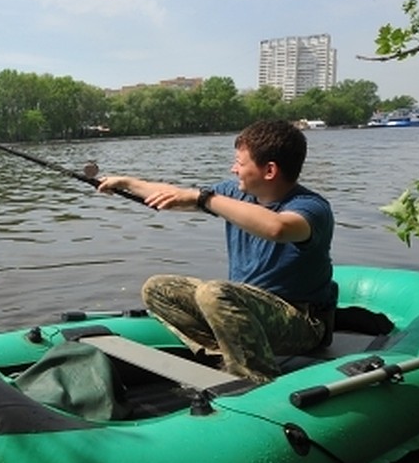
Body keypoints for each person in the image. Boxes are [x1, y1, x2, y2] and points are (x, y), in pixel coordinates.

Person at [96, 119, 335, 383]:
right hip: (248, 309)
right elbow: (177, 195)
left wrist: (205, 199)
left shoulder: (312, 208)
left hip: (301, 322)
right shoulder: (234, 194)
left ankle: (256, 379)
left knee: (215, 292)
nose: (234, 169)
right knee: (157, 288)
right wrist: (126, 182)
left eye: (240, 164)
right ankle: (223, 353)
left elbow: (276, 228)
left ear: (269, 170)